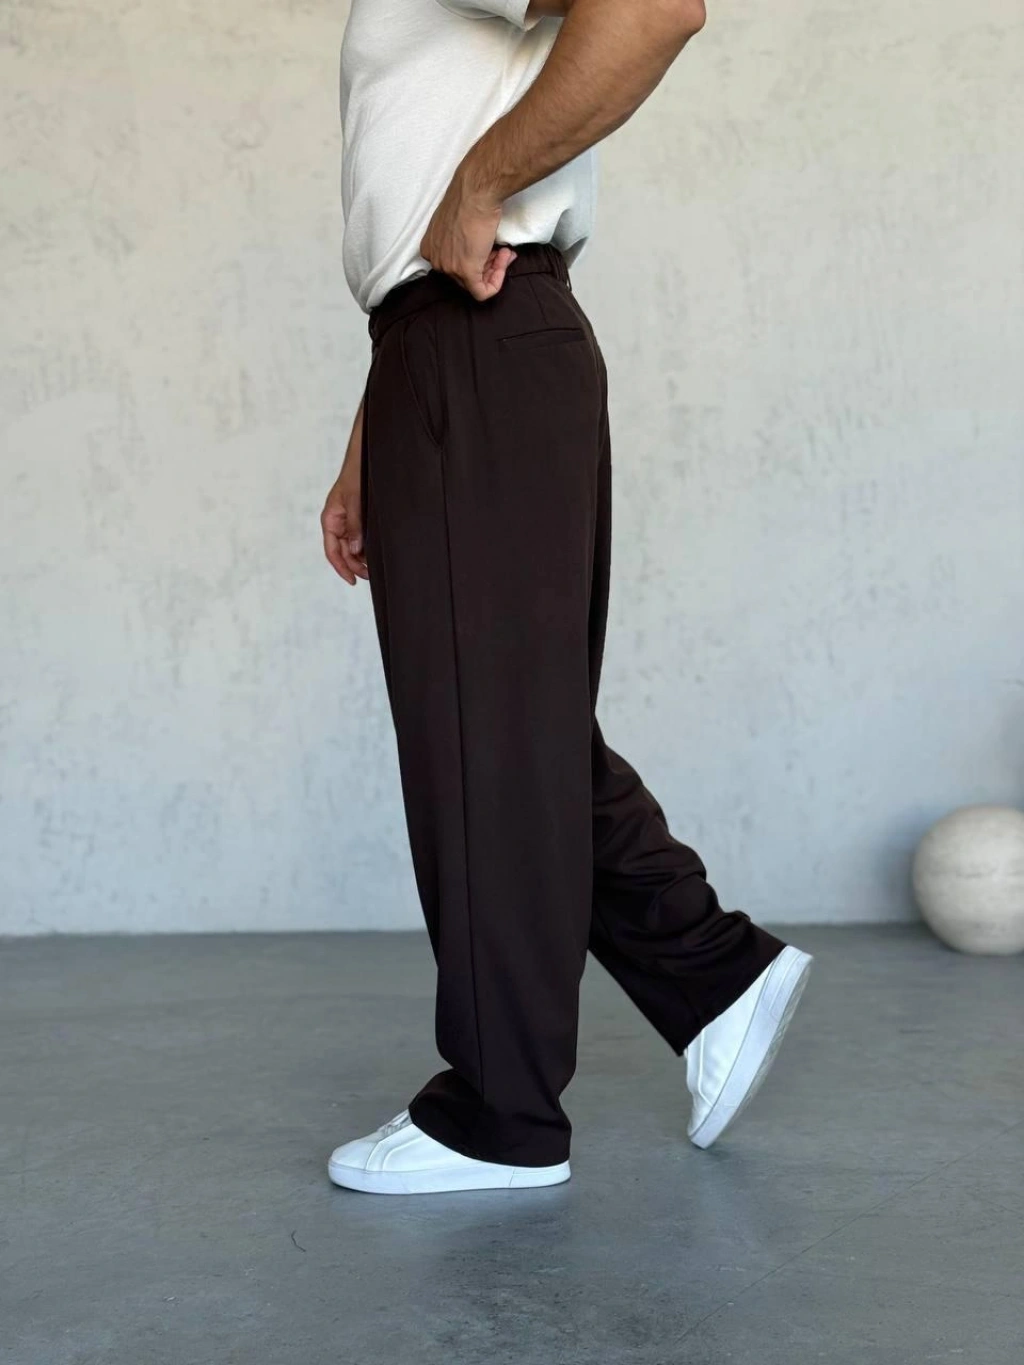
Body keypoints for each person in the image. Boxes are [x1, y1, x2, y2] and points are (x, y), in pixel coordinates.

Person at [322, 0, 812, 1196]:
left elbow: (649, 9)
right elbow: (420, 224)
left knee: (488, 735)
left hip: (477, 338)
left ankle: (500, 1118)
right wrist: (373, 432)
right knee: (509, 727)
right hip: (446, 344)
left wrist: (482, 183)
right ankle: (710, 977)